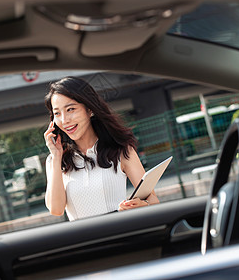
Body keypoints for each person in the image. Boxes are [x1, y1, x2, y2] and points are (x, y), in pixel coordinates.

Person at [43, 76, 159, 221]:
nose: (64, 120)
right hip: (83, 242)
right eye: (57, 113)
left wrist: (140, 205)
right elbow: (56, 209)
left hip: (120, 235)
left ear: (89, 109)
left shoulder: (122, 150)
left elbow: (153, 200)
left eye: (70, 109)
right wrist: (56, 156)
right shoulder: (55, 160)